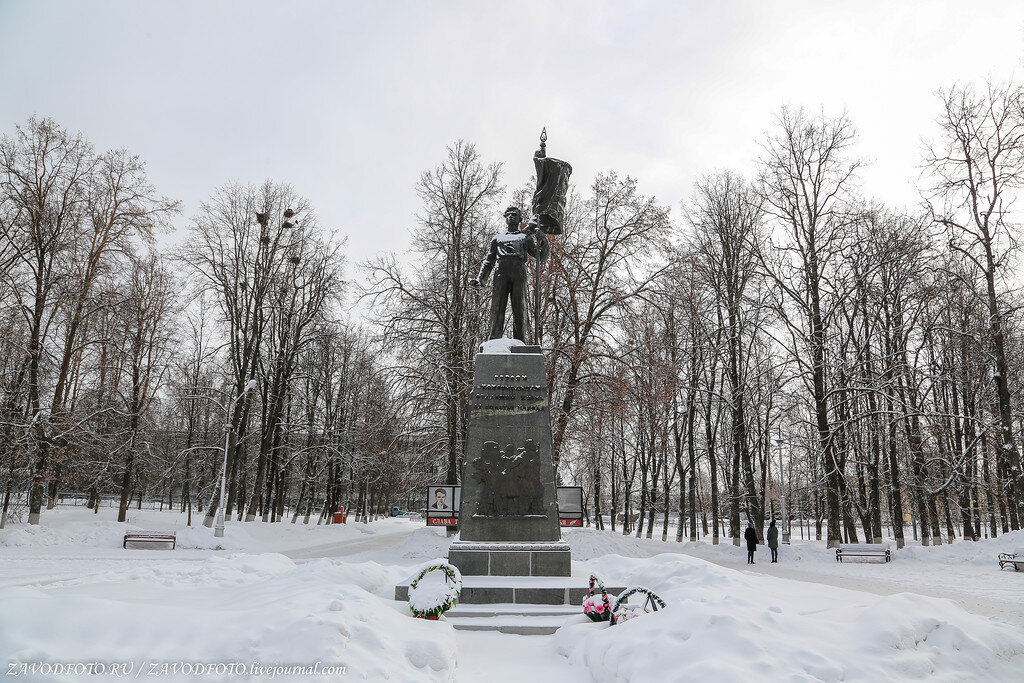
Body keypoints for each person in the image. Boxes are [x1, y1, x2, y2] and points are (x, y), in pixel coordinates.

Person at [470, 206, 548, 342]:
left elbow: (540, 256)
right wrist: (480, 279)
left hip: (519, 272)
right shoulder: (497, 238)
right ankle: (494, 339)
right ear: (505, 218)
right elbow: (489, 261)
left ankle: (520, 340)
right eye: (508, 215)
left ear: (519, 219)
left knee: (520, 307)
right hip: (501, 272)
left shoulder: (525, 237)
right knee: (497, 306)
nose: (511, 216)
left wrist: (543, 241)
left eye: (514, 214)